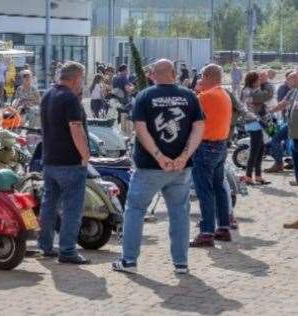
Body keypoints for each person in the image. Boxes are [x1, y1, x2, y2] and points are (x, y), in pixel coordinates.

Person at [112, 59, 205, 274]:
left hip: (149, 167)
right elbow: (198, 128)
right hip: (181, 168)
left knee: (135, 210)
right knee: (179, 213)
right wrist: (184, 156)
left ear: (152, 74)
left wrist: (158, 155)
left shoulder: (144, 96)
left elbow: (140, 129)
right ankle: (181, 263)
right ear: (174, 73)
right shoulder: (189, 96)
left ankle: (129, 261)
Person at [36, 61, 91, 264]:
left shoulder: (48, 95)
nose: (82, 84)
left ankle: (45, 245)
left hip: (50, 159)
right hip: (70, 162)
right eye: (82, 80)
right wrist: (85, 155)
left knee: (49, 205)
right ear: (76, 78)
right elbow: (76, 129)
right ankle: (67, 250)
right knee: (72, 209)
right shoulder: (70, 99)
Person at [188, 64, 233, 247]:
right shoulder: (225, 94)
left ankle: (206, 232)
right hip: (221, 145)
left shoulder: (204, 97)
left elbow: (189, 117)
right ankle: (223, 227)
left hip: (205, 146)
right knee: (219, 187)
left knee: (204, 190)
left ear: (206, 76)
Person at [240, 71, 271, 185]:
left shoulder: (249, 90)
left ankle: (257, 176)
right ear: (253, 80)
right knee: (255, 150)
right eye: (258, 79)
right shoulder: (249, 91)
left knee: (260, 148)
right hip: (253, 122)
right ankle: (248, 176)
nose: (259, 81)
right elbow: (251, 107)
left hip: (254, 122)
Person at [268, 71, 298, 186]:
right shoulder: (292, 92)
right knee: (293, 152)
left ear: (296, 78)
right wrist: (270, 111)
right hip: (291, 127)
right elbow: (283, 104)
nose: (287, 82)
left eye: (289, 79)